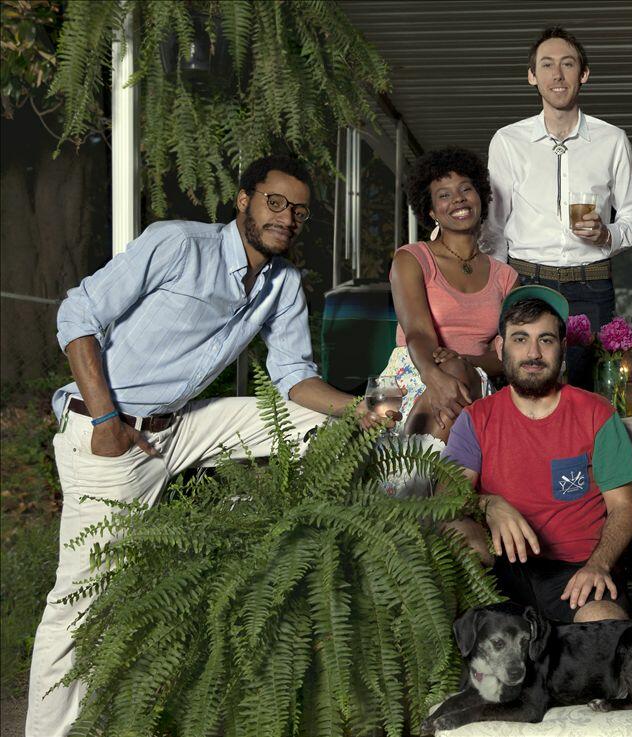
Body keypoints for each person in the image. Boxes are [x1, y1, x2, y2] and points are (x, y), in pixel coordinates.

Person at [28, 155, 395, 737]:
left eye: (299, 211)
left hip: (182, 426)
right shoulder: (177, 244)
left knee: (317, 423)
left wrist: (359, 411)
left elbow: (293, 378)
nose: (287, 218)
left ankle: (263, 524)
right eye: (275, 203)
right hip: (111, 434)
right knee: (81, 603)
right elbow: (78, 314)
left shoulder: (283, 285)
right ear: (243, 200)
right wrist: (106, 420)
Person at [441, 286, 632, 622]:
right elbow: (446, 499)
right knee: (456, 531)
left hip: (579, 570)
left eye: (545, 340)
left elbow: (623, 508)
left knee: (603, 622)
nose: (533, 353)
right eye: (520, 339)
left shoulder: (597, 414)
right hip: (502, 569)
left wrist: (599, 565)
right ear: (500, 347)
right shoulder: (475, 419)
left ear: (561, 348)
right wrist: (489, 504)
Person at [485, 26, 632, 389]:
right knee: (525, 388)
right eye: (547, 65)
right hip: (525, 281)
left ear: (583, 74)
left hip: (591, 283)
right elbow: (494, 229)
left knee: (589, 393)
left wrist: (607, 234)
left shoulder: (612, 140)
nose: (557, 74)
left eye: (568, 64)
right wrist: (497, 290)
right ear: (532, 76)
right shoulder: (508, 141)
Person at [385, 147, 520, 441]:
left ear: (480, 197)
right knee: (450, 373)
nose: (458, 198)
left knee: (456, 370)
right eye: (444, 195)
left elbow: (508, 354)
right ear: (431, 211)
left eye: (466, 189)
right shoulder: (412, 259)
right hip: (415, 370)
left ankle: (409, 467)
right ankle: (414, 465)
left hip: (474, 378)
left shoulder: (506, 277)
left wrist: (463, 361)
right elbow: (417, 331)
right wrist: (434, 375)